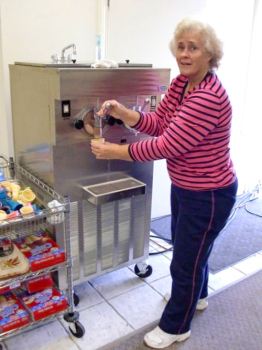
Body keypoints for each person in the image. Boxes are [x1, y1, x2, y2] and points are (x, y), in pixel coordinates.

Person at [91, 18, 238, 349]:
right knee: (195, 251)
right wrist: (125, 112)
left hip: (210, 193)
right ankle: (197, 296)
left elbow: (166, 145)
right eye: (181, 47)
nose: (184, 54)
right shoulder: (182, 85)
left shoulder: (208, 97)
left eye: (194, 48)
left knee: (185, 259)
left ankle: (176, 326)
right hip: (187, 186)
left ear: (210, 54)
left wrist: (114, 150)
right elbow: (159, 124)